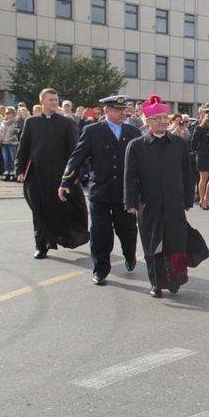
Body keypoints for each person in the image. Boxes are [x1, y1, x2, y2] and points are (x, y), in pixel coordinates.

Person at [58, 94, 142, 284]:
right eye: (118, 109)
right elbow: (76, 158)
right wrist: (66, 182)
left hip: (124, 193)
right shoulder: (92, 131)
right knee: (100, 233)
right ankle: (101, 269)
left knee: (127, 231)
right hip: (100, 191)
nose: (123, 113)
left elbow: (141, 163)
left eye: (125, 109)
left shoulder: (133, 132)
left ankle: (130, 255)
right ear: (106, 111)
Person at [124, 94, 195, 297]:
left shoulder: (178, 143)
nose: (164, 121)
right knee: (152, 245)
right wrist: (130, 202)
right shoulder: (136, 146)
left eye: (166, 117)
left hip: (174, 202)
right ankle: (155, 282)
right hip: (149, 204)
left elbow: (187, 173)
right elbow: (130, 176)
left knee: (175, 243)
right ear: (147, 121)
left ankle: (174, 280)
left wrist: (188, 199)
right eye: (158, 118)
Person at [15, 88, 89, 258]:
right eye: (51, 100)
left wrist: (75, 174)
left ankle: (66, 237)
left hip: (58, 175)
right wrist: (19, 170)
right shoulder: (31, 122)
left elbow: (74, 151)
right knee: (38, 209)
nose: (54, 103)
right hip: (36, 174)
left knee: (60, 208)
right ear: (42, 102)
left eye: (56, 100)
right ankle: (41, 245)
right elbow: (23, 148)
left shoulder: (65, 123)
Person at [191, 108, 209, 210]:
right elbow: (193, 143)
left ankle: (206, 198)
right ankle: (202, 200)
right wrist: (198, 152)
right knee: (203, 177)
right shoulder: (200, 128)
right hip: (203, 155)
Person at [0, 106, 19, 181]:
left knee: (12, 158)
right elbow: (0, 131)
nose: (6, 114)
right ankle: (7, 172)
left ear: (13, 113)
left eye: (8, 113)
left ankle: (13, 172)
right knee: (6, 158)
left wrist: (10, 138)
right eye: (6, 113)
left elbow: (16, 132)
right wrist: (0, 137)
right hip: (4, 143)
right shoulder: (3, 122)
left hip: (11, 143)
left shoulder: (16, 121)